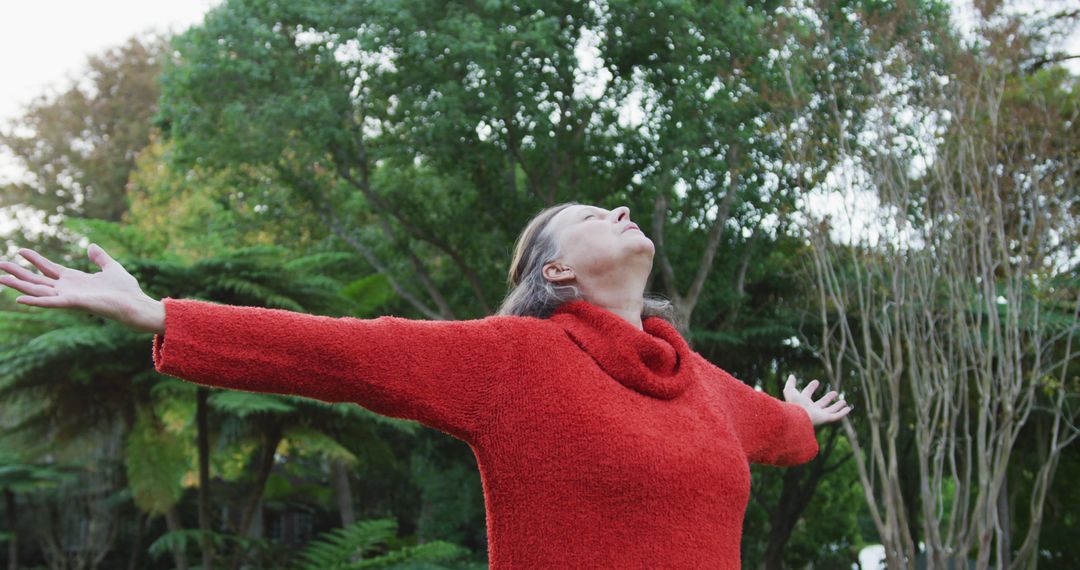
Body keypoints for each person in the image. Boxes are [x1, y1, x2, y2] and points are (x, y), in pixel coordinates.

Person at [0, 202, 852, 568]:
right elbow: (345, 353)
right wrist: (163, 317)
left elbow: (772, 428)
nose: (621, 213)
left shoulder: (698, 381)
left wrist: (799, 417)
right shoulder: (517, 359)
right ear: (555, 269)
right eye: (594, 216)